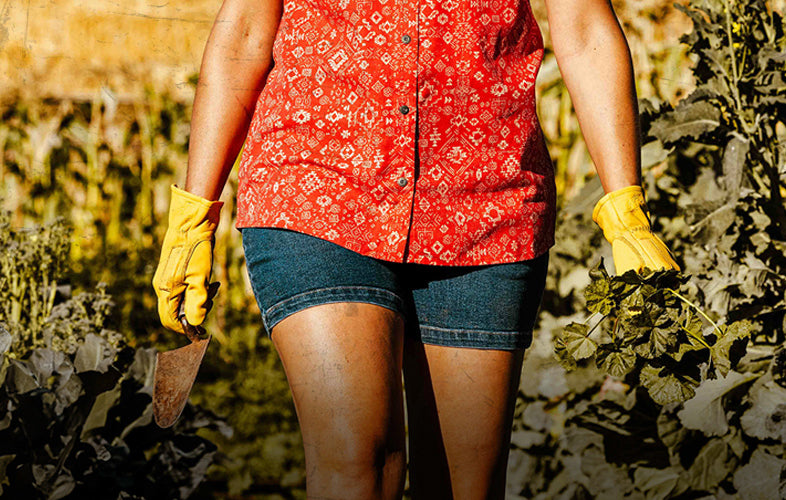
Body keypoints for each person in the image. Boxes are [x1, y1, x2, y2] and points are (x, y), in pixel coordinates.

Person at [152, 0, 680, 497]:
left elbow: (585, 30)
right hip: (318, 191)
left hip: (487, 207)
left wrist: (625, 208)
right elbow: (244, 31)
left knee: (460, 488)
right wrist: (194, 214)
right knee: (360, 466)